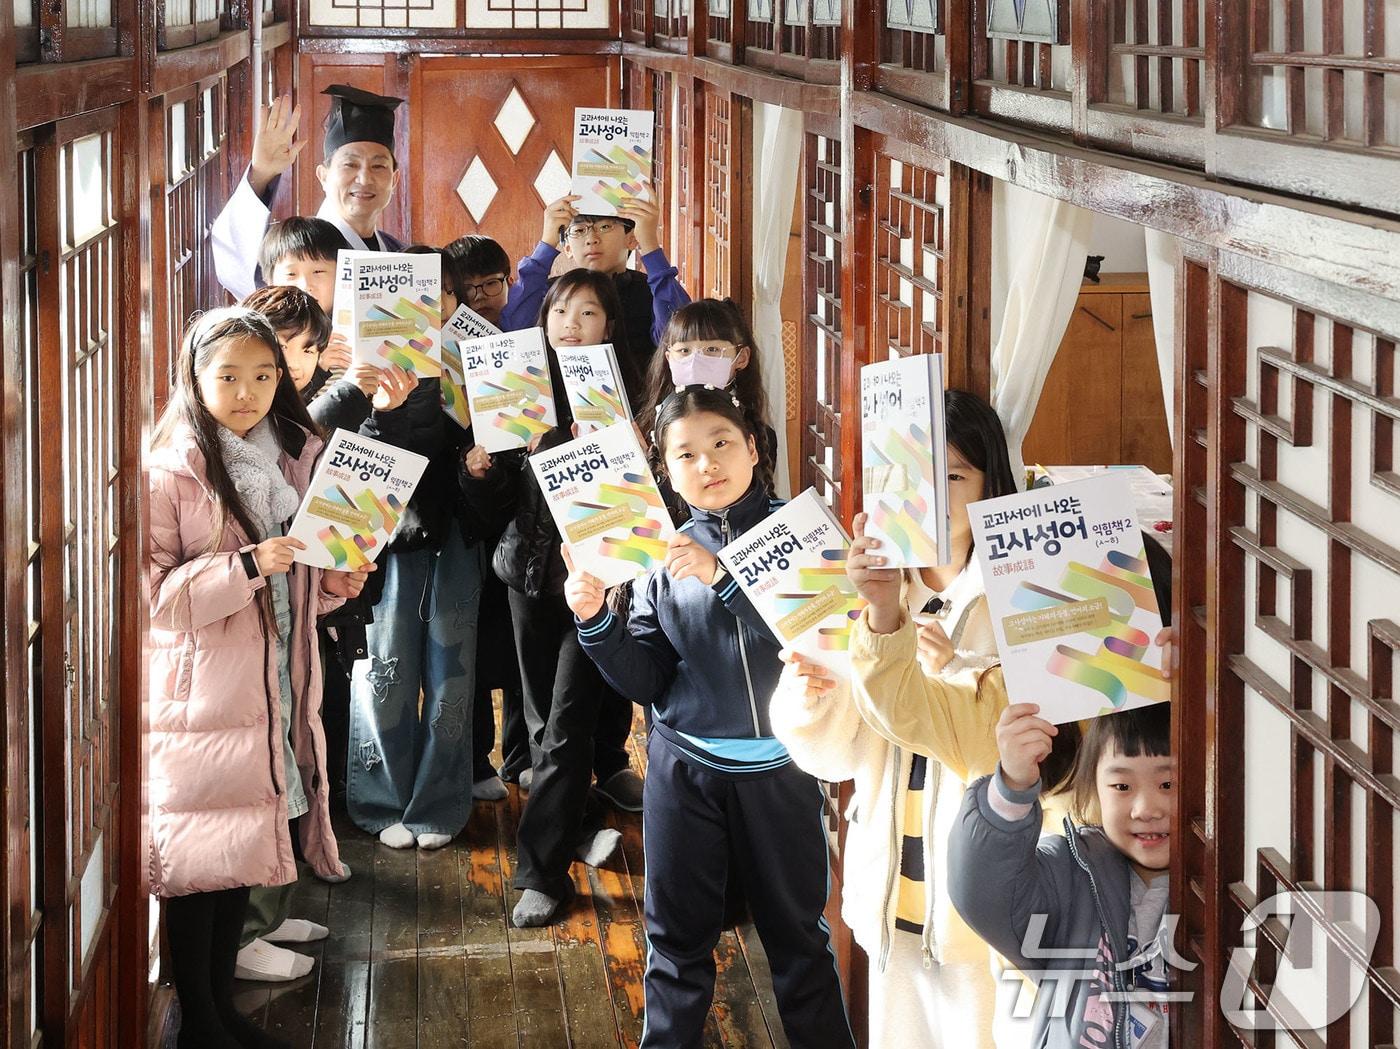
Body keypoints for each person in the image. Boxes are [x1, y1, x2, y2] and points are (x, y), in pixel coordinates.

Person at [564, 385, 856, 1049]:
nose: (708, 462)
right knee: (675, 945)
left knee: (799, 942)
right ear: (666, 470)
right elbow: (648, 679)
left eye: (721, 442)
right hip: (684, 769)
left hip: (781, 769)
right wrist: (595, 621)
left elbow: (820, 636)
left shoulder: (803, 529)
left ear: (753, 446)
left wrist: (724, 577)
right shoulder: (658, 556)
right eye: (686, 453)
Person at [148, 307, 369, 1036]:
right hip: (202, 693)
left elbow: (300, 572)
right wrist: (245, 564)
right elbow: (151, 600)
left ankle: (218, 1011)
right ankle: (202, 1016)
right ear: (195, 377)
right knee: (197, 866)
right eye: (229, 376)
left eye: (263, 375)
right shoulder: (174, 464)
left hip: (271, 678)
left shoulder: (287, 453)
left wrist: (339, 579)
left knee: (237, 853)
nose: (248, 391)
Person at [461, 270, 633, 926]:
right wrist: (481, 467)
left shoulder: (627, 391)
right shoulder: (517, 388)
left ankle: (542, 874)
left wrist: (621, 450)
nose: (571, 322)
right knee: (540, 729)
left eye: (587, 312)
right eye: (561, 308)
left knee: (564, 725)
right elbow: (493, 507)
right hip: (528, 577)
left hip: (593, 582)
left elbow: (643, 500)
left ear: (608, 326)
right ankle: (577, 817)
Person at [345, 246, 483, 851]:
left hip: (455, 532)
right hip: (390, 535)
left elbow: (496, 457)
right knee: (384, 667)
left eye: (443, 294)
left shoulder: (478, 362)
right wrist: (383, 411)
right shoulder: (366, 366)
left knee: (452, 670)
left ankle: (439, 803)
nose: (433, 306)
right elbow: (352, 459)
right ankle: (380, 800)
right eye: (422, 295)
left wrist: (484, 462)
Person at [949, 701, 1175, 1049]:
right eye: (1121, 787)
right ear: (1094, 788)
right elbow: (986, 894)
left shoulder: (1231, 879)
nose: (1145, 809)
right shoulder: (1071, 873)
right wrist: (1012, 786)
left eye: (1168, 783)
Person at [212, 86, 406, 301]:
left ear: (394, 180)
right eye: (350, 164)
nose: (364, 179)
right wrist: (261, 173)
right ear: (323, 176)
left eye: (378, 167)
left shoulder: (397, 252)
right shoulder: (296, 250)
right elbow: (236, 265)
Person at [505, 187, 690, 376]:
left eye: (605, 227)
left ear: (632, 238)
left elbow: (682, 337)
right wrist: (546, 242)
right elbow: (514, 331)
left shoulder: (650, 291)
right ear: (567, 247)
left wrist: (650, 244)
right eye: (579, 230)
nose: (591, 239)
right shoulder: (553, 293)